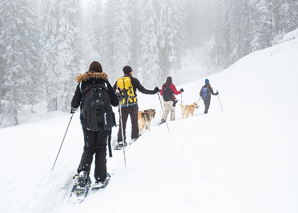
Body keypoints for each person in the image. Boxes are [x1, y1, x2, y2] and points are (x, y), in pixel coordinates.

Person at [70, 61, 121, 188]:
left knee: (89, 147)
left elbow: (74, 104)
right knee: (101, 147)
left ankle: (83, 173)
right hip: (104, 122)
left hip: (88, 122)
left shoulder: (83, 83)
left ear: (89, 70)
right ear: (100, 70)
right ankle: (100, 177)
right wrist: (119, 95)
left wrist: (74, 108)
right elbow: (115, 102)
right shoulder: (104, 82)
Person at [113, 66, 159, 147]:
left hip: (122, 106)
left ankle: (120, 141)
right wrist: (154, 91)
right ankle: (134, 137)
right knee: (134, 122)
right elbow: (143, 90)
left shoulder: (118, 81)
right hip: (133, 105)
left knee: (122, 124)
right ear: (130, 72)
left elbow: (113, 92)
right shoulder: (134, 80)